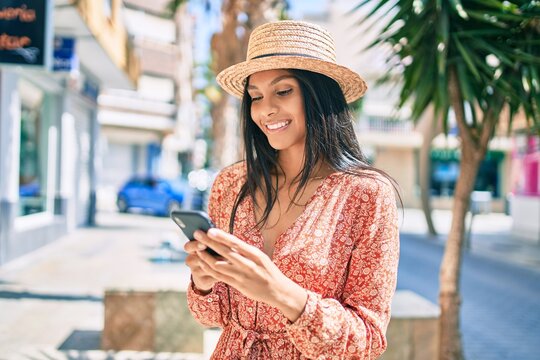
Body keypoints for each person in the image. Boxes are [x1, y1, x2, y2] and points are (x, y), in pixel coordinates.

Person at [184, 20, 400, 359]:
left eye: (283, 91)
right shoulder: (231, 185)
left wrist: (282, 294)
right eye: (255, 97)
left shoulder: (366, 195)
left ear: (318, 95)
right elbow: (210, 317)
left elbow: (368, 341)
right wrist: (204, 281)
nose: (266, 109)